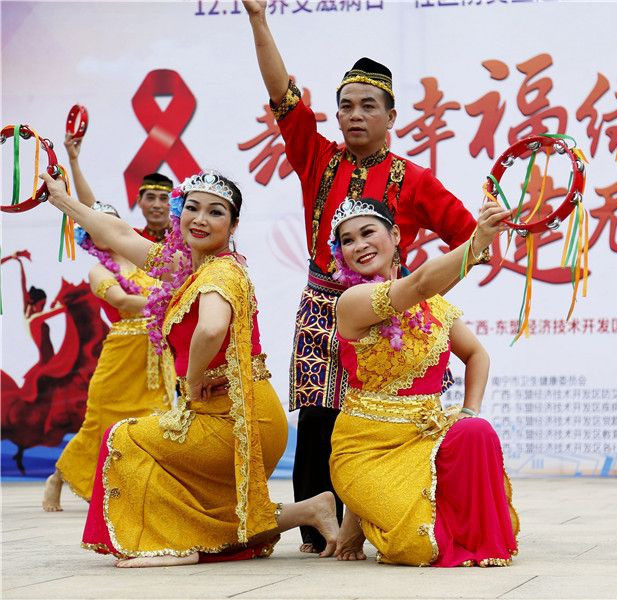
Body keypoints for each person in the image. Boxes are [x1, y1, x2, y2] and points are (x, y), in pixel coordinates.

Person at [242, 0, 483, 554]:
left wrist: (422, 296)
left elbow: (472, 242)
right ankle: (316, 533)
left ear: (391, 117)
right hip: (322, 305)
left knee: (382, 418)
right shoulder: (316, 156)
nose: (354, 115)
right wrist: (258, 17)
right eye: (345, 106)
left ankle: (379, 519)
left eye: (368, 106)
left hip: (389, 314)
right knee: (318, 418)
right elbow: (282, 95)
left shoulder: (415, 180)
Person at [40, 169, 338, 567]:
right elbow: (120, 235)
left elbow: (211, 328)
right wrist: (62, 200)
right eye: (192, 208)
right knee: (210, 508)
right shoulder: (186, 266)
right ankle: (311, 509)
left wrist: (193, 381)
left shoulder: (220, 272)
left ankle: (173, 544)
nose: (200, 219)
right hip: (228, 412)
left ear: (233, 225)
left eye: (215, 212)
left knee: (124, 439)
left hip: (239, 420)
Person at [328, 196, 519, 566]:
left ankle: (364, 515)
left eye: (368, 233)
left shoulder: (434, 306)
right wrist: (477, 242)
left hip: (425, 439)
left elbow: (476, 355)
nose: (359, 245)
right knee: (419, 544)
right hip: (369, 449)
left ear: (395, 235)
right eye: (347, 241)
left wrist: (469, 410)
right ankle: (361, 511)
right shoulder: (352, 301)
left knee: (476, 431)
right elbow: (416, 285)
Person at [42, 202, 167, 511]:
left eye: (109, 224)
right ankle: (58, 477)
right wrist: (167, 298)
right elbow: (121, 299)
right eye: (96, 226)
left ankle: (144, 487)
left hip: (154, 352)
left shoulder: (145, 259)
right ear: (90, 237)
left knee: (155, 419)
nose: (105, 231)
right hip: (121, 354)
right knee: (99, 423)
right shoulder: (99, 271)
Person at [64, 133, 173, 242]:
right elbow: (94, 211)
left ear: (173, 203)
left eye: (164, 198)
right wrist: (73, 161)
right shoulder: (132, 239)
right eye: (150, 198)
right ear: (139, 201)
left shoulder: (181, 237)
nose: (157, 205)